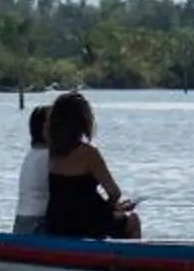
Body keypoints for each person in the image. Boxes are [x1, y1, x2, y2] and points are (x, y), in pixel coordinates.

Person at [40, 90, 142, 239]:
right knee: (133, 221)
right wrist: (111, 208)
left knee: (114, 217)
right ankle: (131, 261)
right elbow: (114, 192)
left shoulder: (51, 152)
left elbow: (71, 195)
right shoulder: (89, 153)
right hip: (84, 224)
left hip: (56, 223)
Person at [13, 104, 51, 234]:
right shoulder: (48, 156)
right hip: (38, 224)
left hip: (21, 223)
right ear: (43, 128)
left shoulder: (32, 153)